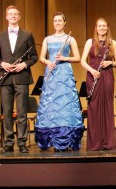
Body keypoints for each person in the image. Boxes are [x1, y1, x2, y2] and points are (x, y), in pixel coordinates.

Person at [0, 5, 38, 154]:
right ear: (6, 17)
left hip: (22, 78)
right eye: (10, 14)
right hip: (5, 79)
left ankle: (22, 142)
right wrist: (2, 64)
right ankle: (8, 142)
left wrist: (24, 64)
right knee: (6, 113)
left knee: (22, 112)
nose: (12, 16)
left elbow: (34, 56)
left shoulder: (27, 35)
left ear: (19, 17)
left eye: (15, 14)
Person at [36, 12, 85, 151]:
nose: (57, 23)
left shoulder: (70, 39)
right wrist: (48, 62)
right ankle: (50, 137)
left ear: (64, 23)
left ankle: (67, 136)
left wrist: (64, 58)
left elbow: (77, 58)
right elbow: (41, 57)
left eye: (60, 21)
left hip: (64, 73)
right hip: (51, 73)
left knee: (65, 104)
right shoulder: (47, 39)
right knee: (51, 104)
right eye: (55, 21)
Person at [81, 17, 116, 151]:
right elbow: (82, 61)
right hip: (93, 77)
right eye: (99, 26)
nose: (102, 28)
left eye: (104, 26)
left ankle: (107, 142)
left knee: (107, 108)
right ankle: (94, 143)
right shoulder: (89, 42)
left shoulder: (112, 43)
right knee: (94, 108)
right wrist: (92, 71)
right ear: (96, 28)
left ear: (107, 27)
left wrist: (110, 63)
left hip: (107, 76)